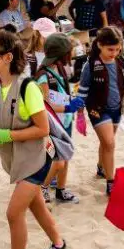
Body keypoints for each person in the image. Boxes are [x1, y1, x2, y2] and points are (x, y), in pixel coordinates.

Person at [0, 27, 67, 249]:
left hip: (37, 159)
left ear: (7, 57)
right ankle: (58, 243)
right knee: (36, 203)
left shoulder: (28, 88)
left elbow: (43, 129)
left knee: (14, 213)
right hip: (16, 159)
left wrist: (4, 137)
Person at [76, 27, 124, 196]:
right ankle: (111, 183)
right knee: (110, 143)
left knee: (106, 143)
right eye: (110, 49)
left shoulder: (122, 62)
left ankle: (101, 167)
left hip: (116, 109)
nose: (114, 53)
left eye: (118, 49)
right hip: (97, 110)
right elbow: (83, 90)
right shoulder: (91, 64)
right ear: (100, 45)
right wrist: (80, 114)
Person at [34, 33, 81, 205]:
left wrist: (72, 101)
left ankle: (61, 190)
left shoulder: (59, 69)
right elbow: (45, 105)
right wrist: (69, 106)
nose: (72, 54)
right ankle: (43, 188)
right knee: (58, 162)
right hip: (53, 124)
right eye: (69, 51)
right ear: (62, 54)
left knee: (65, 157)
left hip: (66, 121)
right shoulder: (42, 75)